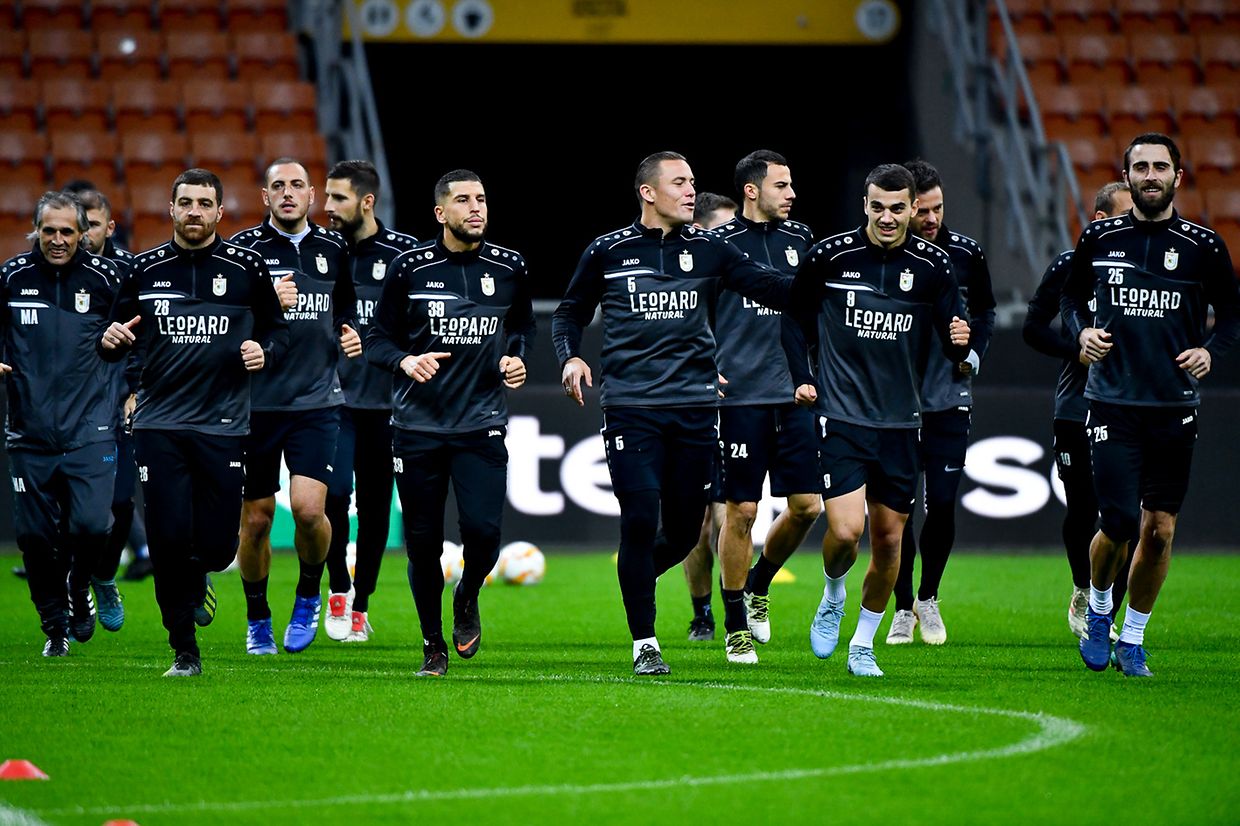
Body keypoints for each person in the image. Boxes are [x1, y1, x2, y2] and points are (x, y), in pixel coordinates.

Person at [552, 151, 790, 676]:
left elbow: (775, 289)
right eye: (679, 183)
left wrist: (827, 269)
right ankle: (645, 643)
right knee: (638, 520)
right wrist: (569, 354)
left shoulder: (711, 249)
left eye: (692, 182)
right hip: (632, 406)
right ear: (647, 192)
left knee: (684, 533)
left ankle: (635, 579)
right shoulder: (608, 250)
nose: (690, 191)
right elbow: (570, 311)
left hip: (696, 406)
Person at [1061, 134, 1239, 677]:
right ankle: (1097, 609)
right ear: (1128, 175)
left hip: (1173, 404)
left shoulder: (1203, 246)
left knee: (1159, 528)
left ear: (1178, 177)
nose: (1151, 174)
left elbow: (1232, 318)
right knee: (1117, 521)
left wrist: (1210, 352)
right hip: (1112, 401)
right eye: (1140, 167)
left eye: (1161, 166)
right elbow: (1070, 300)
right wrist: (1081, 332)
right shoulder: (1100, 236)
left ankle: (1133, 636)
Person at [98, 168, 289, 676]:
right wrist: (112, 344)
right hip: (160, 423)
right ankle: (184, 647)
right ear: (172, 208)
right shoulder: (143, 269)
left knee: (217, 545)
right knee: (166, 539)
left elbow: (278, 331)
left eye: (205, 204)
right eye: (187, 203)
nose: (195, 212)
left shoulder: (246, 267)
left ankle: (199, 575)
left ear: (220, 212)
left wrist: (262, 350)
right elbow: (114, 337)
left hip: (224, 424)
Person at [784, 163, 970, 678]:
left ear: (914, 208)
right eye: (877, 207)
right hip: (841, 416)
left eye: (897, 208)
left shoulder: (934, 265)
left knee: (889, 541)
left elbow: (956, 337)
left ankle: (863, 644)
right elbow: (794, 318)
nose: (886, 218)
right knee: (846, 532)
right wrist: (802, 376)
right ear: (864, 205)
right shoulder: (830, 255)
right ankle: (833, 592)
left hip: (902, 423)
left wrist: (964, 343)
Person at [365, 169, 534, 677]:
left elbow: (521, 326)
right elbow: (376, 340)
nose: (476, 207)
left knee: (483, 534)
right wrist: (404, 361)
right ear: (441, 213)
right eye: (463, 200)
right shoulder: (408, 268)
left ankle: (467, 596)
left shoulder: (510, 266)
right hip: (417, 427)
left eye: (481, 198)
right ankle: (432, 643)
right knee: (422, 543)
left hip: (481, 424)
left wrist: (516, 358)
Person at [230, 158, 358, 656]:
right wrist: (265, 306)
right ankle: (258, 616)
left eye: (298, 186)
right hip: (254, 405)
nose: (288, 193)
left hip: (316, 402)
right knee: (257, 520)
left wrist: (350, 331)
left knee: (308, 510)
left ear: (312, 196)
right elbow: (223, 324)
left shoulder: (334, 248)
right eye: (278, 186)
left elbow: (345, 306)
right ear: (264, 197)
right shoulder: (243, 252)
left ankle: (308, 595)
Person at [708, 151, 822, 664]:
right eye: (781, 185)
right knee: (743, 512)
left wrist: (809, 373)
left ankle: (759, 583)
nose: (791, 193)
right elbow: (695, 312)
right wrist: (706, 365)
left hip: (794, 392)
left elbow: (808, 313)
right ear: (752, 191)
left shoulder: (801, 240)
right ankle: (735, 625)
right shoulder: (718, 246)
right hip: (740, 396)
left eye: (791, 184)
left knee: (806, 507)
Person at [2, 191, 121, 656]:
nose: (57, 240)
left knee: (93, 526)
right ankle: (55, 627)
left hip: (90, 427)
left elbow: (141, 334)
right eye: (48, 231)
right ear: (36, 230)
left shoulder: (107, 278)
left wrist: (129, 385)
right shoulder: (11, 278)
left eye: (67, 232)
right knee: (33, 538)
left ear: (82, 234)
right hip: (28, 431)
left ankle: (78, 587)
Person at [886, 160, 996, 646]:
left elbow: (987, 311)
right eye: (922, 211)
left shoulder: (967, 254)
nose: (931, 219)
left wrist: (973, 351)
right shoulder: (885, 257)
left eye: (938, 208)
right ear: (906, 207)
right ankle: (901, 606)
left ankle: (928, 597)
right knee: (897, 512)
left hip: (949, 396)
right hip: (892, 403)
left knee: (944, 506)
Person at [1023, 181, 1135, 641]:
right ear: (1098, 222)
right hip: (1076, 408)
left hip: (1134, 408)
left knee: (1126, 517)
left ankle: (1110, 609)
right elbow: (1032, 327)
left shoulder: (1149, 269)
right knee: (1085, 508)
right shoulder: (1072, 267)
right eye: (1122, 216)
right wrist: (1077, 348)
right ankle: (1083, 590)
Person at [321, 160, 418, 643]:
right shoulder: (320, 254)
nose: (327, 208)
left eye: (338, 198)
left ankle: (361, 603)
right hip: (333, 402)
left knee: (378, 509)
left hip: (388, 405)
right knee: (334, 496)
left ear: (366, 201)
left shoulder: (405, 257)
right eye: (327, 197)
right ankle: (337, 587)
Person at [69, 186, 149, 630]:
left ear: (109, 227)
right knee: (71, 514)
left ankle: (99, 576)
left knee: (118, 504)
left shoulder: (128, 272)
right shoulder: (45, 275)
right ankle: (74, 591)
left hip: (114, 404)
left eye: (91, 225)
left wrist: (135, 389)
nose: (81, 235)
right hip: (62, 411)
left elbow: (143, 337)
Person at [680, 192, 736, 643]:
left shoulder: (741, 276)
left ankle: (736, 605)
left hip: (736, 407)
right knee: (695, 525)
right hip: (691, 408)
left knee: (732, 514)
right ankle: (702, 613)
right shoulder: (684, 279)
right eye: (725, 231)